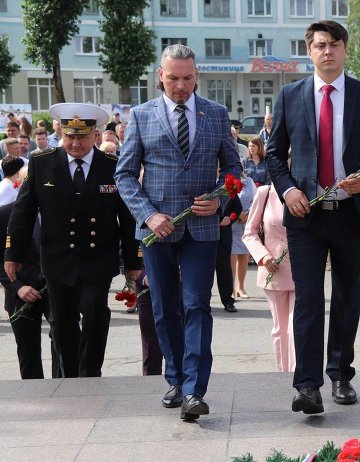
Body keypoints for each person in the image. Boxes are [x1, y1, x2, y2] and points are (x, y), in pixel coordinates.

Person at [265, 20, 360, 415]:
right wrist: (288, 190)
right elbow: (274, 154)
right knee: (307, 299)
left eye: (335, 44)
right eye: (320, 45)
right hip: (305, 215)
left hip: (350, 213)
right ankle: (307, 384)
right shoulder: (290, 95)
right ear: (309, 52)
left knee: (346, 297)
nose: (328, 51)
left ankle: (340, 374)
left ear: (345, 50)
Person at [114, 44, 241, 421]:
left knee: (197, 305)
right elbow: (124, 175)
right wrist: (148, 215)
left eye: (188, 78)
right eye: (173, 78)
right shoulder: (141, 116)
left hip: (202, 229)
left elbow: (233, 170)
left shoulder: (216, 114)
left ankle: (194, 390)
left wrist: (219, 198)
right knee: (165, 307)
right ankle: (175, 377)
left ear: (197, 75)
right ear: (160, 75)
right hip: (158, 232)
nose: (181, 86)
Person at [4, 103, 141, 379]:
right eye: (70, 137)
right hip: (58, 258)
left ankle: (89, 373)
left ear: (95, 135)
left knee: (94, 315)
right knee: (61, 321)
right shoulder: (42, 163)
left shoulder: (112, 165)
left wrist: (132, 261)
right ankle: (69, 377)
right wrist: (13, 255)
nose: (76, 144)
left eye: (82, 137)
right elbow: (23, 213)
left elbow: (127, 219)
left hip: (98, 257)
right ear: (62, 134)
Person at [0, 202, 61, 380]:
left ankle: (63, 386)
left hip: (57, 288)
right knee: (28, 350)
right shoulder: (5, 214)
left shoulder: (59, 208)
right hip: (20, 293)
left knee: (62, 340)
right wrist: (17, 287)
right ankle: (34, 391)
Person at [242, 184, 296, 372]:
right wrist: (263, 256)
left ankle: (299, 375)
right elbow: (250, 232)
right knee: (280, 328)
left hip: (303, 268)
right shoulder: (265, 193)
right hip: (273, 270)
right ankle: (283, 373)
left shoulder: (307, 189)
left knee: (296, 327)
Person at [231, 174, 256, 297]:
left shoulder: (249, 181)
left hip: (246, 222)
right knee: (232, 256)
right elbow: (226, 199)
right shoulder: (226, 179)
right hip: (231, 222)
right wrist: (239, 213)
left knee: (244, 254)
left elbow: (255, 199)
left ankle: (240, 287)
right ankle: (231, 289)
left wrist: (249, 214)